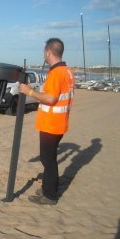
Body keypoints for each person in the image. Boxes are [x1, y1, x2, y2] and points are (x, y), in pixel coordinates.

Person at [19, 38, 75, 205]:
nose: (44, 54)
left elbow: (50, 98)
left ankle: (50, 195)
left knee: (47, 159)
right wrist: (35, 91)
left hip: (52, 124)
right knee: (49, 157)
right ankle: (48, 187)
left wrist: (29, 92)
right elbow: (52, 94)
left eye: (44, 51)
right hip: (58, 122)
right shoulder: (67, 71)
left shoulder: (57, 73)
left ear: (49, 52)